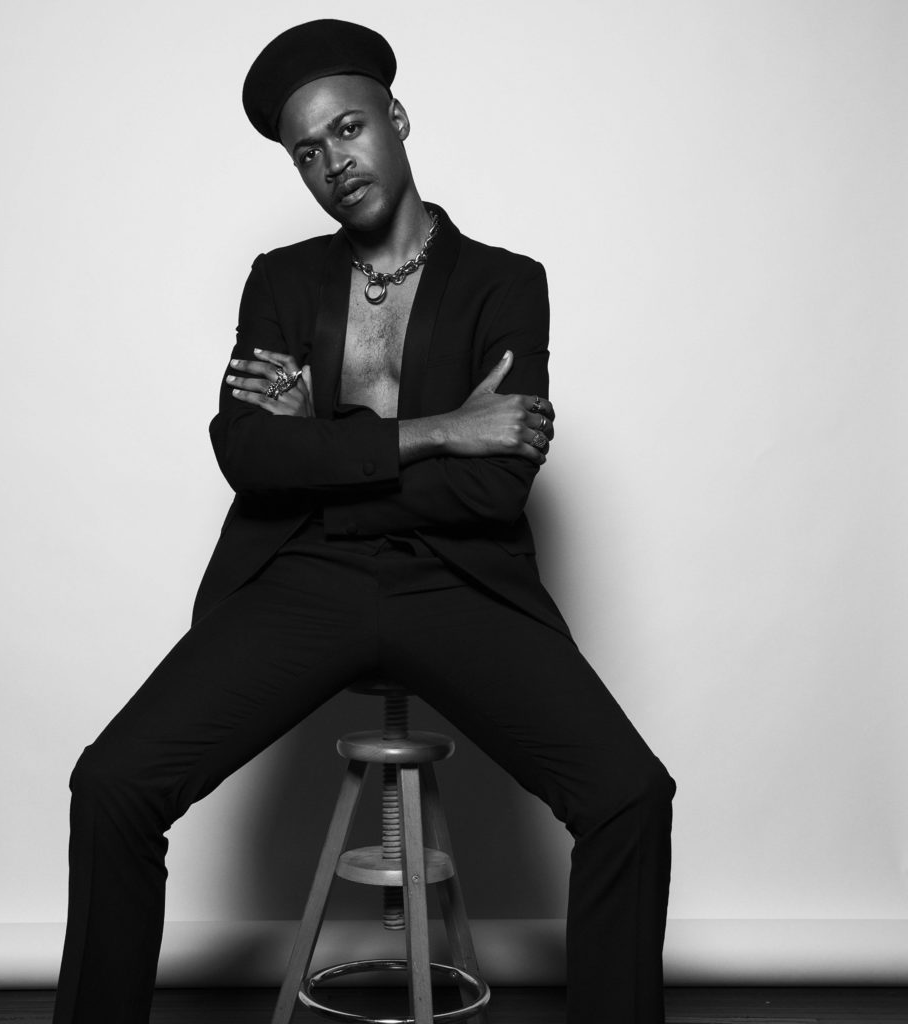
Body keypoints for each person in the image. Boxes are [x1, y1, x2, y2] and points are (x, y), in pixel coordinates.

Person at [52, 19, 676, 1024]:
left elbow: (491, 493)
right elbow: (249, 456)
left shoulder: (504, 286)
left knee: (630, 795)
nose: (332, 163)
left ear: (396, 117)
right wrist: (439, 429)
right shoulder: (283, 281)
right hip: (303, 577)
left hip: (456, 581)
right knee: (114, 783)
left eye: (346, 129)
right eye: (306, 152)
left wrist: (326, 445)